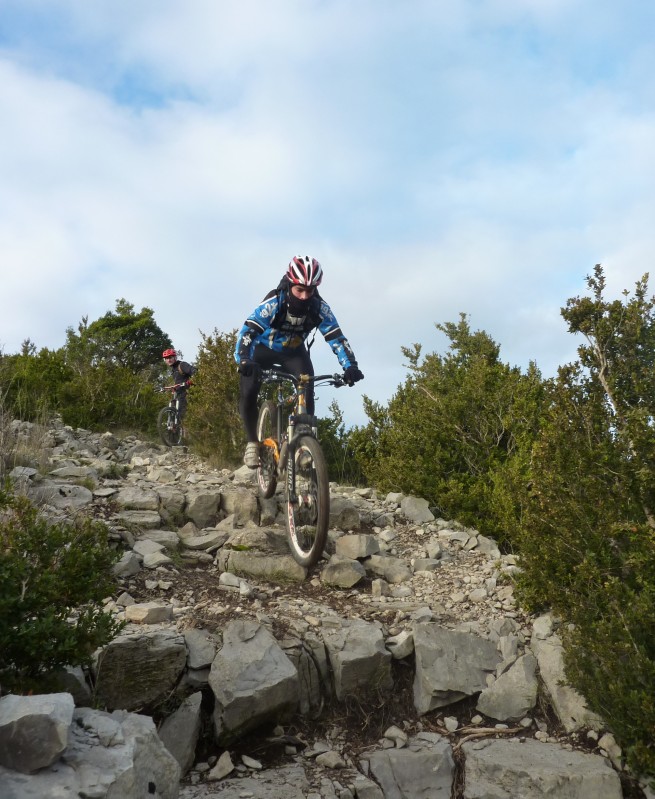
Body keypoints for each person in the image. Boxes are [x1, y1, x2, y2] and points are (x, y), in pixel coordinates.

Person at [234, 255, 364, 468]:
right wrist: (244, 360)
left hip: (293, 353)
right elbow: (247, 332)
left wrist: (350, 366)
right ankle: (251, 443)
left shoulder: (319, 307)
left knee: (307, 386)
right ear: (291, 284)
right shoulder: (274, 302)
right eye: (299, 290)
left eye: (309, 291)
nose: (304, 296)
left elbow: (336, 338)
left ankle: (303, 444)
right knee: (248, 391)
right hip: (262, 350)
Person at [162, 348, 194, 424]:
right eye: (166, 358)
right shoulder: (173, 370)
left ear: (175, 357)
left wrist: (190, 382)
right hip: (179, 395)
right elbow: (179, 381)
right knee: (175, 415)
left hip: (187, 394)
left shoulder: (182, 365)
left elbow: (195, 372)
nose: (168, 360)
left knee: (182, 416)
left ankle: (185, 433)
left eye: (170, 358)